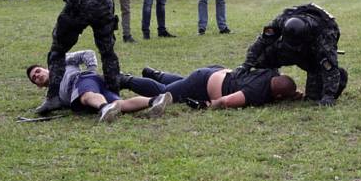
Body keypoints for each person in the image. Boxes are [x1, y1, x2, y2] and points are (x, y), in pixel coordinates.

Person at [238, 4, 348, 106]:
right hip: (286, 47)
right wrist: (247, 65)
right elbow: (262, 41)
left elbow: (330, 67)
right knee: (261, 57)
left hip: (312, 54)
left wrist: (328, 95)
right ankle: (269, 81)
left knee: (314, 97)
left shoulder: (325, 35)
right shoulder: (283, 20)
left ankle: (339, 77)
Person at [26, 50, 170, 123]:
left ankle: (103, 108)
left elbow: (88, 53)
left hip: (81, 81)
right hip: (93, 88)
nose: (37, 76)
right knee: (119, 104)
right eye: (34, 78)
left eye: (38, 71)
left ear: (46, 68)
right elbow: (45, 107)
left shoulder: (60, 63)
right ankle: (155, 100)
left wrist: (90, 70)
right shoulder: (52, 96)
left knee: (85, 96)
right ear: (38, 86)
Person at [122, 65, 299, 109]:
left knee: (182, 84)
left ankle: (156, 74)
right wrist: (206, 106)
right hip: (204, 83)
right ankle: (125, 80)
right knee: (164, 93)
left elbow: (284, 86)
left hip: (214, 73)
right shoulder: (255, 93)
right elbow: (225, 101)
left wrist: (293, 93)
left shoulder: (271, 73)